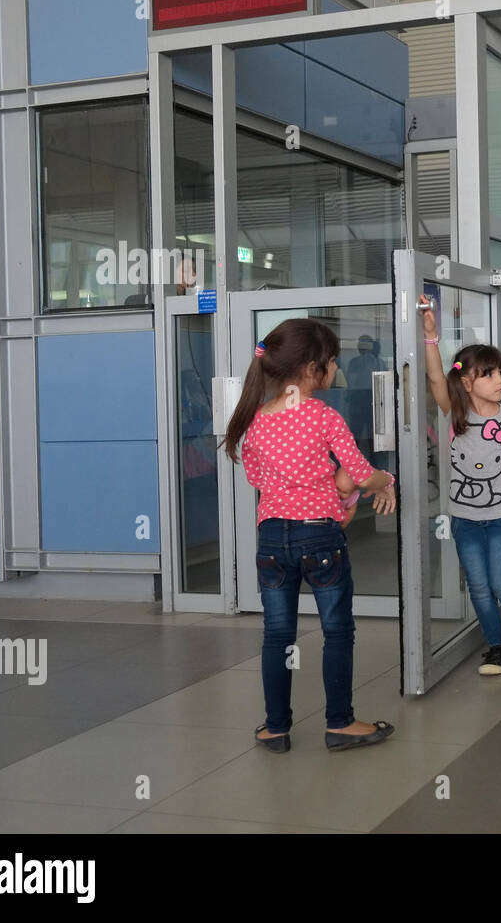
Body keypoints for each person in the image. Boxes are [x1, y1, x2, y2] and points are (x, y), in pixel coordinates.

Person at [222, 318, 397, 753]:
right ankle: (339, 723)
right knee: (337, 630)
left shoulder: (255, 421)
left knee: (277, 634)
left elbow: (259, 482)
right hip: (319, 539)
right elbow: (358, 474)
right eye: (333, 360)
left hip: (271, 542)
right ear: (312, 368)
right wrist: (386, 481)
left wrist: (340, 494)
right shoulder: (322, 416)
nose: (336, 367)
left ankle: (275, 728)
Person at [420, 297, 501, 676]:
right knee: (478, 586)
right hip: (464, 518)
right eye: (489, 374)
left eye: (500, 373)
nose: (499, 380)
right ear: (466, 382)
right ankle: (496, 646)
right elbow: (433, 377)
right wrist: (431, 337)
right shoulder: (455, 412)